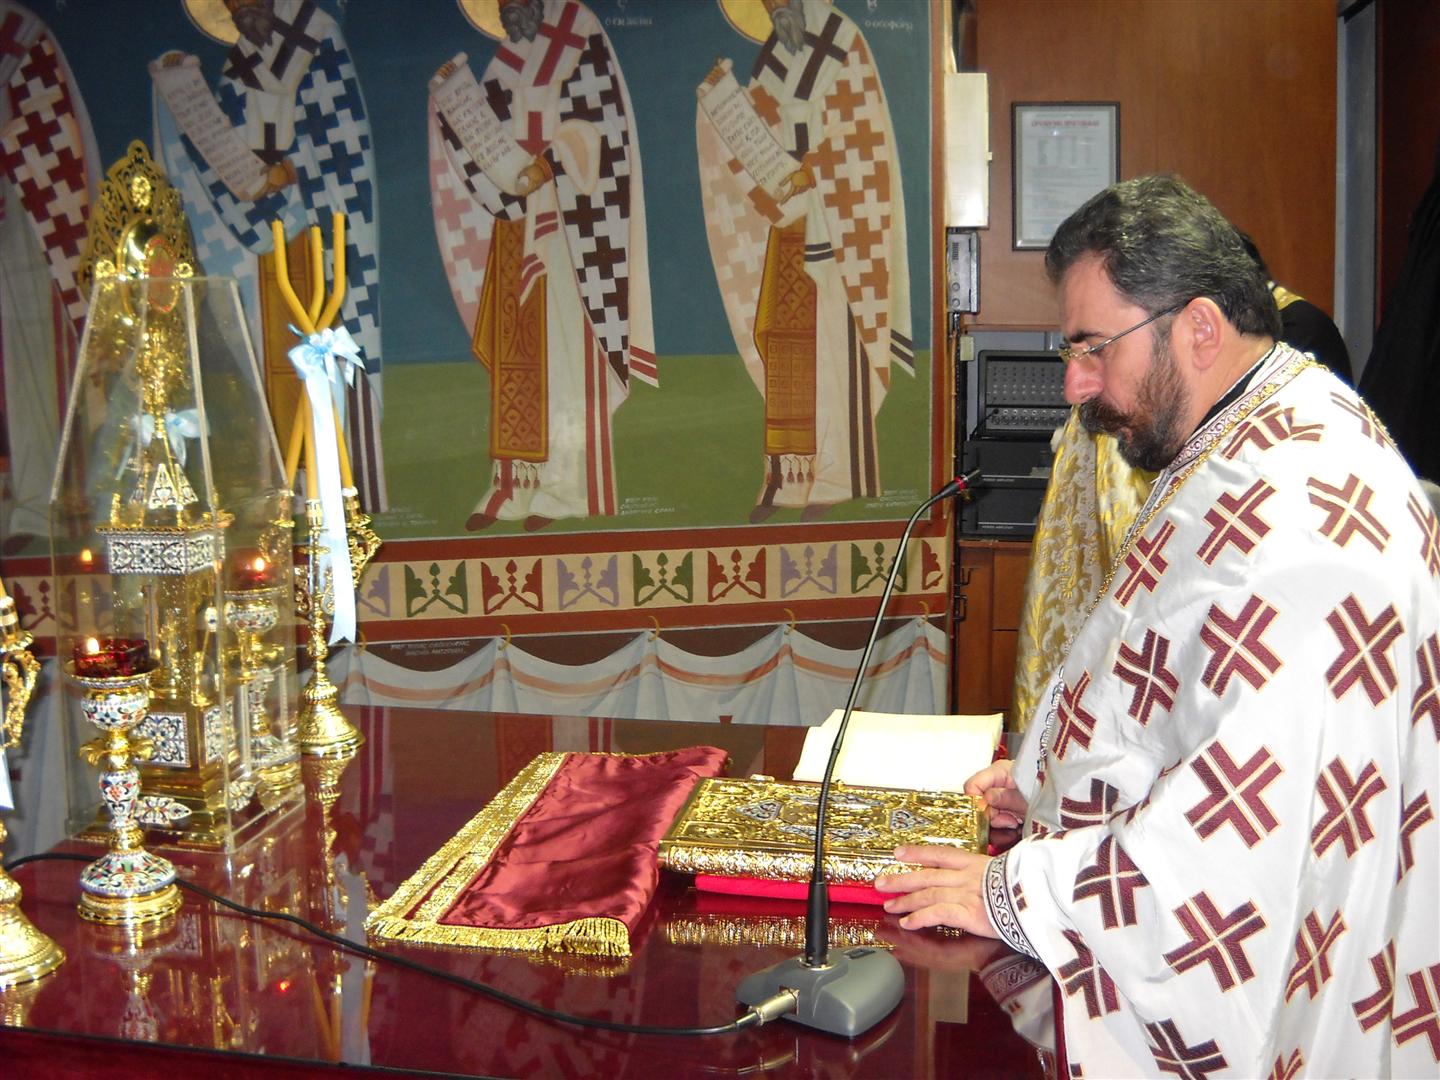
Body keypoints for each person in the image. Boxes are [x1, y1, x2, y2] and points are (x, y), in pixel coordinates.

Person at [877, 175, 1439, 1077]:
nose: (1074, 385)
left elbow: (1238, 844)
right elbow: (1179, 684)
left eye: (1093, 348)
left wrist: (1021, 888)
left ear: (1200, 328)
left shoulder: (1301, 520)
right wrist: (1053, 783)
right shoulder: (1256, 429)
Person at [151, 0, 387, 512]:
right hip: (270, 238)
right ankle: (290, 482)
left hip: (321, 230)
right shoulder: (237, 67)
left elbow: (339, 133)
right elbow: (222, 147)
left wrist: (289, 171)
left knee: (327, 348)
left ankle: (336, 482)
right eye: (231, 4)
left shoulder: (316, 36)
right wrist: (182, 96)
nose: (240, 8)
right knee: (277, 358)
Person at [429, 0, 654, 533]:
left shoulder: (579, 33)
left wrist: (549, 164)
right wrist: (452, 103)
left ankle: (565, 487)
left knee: (564, 355)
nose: (510, 11)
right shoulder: (504, 63)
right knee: (517, 355)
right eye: (503, 6)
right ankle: (512, 484)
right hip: (516, 230)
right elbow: (482, 141)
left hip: (570, 230)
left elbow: (601, 126)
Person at [696, 0, 912, 523]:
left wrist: (812, 170)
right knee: (784, 342)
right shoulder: (774, 56)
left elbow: (862, 136)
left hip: (838, 229)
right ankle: (788, 479)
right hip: (791, 225)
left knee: (834, 349)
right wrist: (724, 102)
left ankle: (837, 476)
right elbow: (760, 127)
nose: (774, 6)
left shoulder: (843, 41)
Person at [0, 0, 99, 548]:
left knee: (35, 364)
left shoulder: (19, 31)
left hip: (26, 217)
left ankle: (43, 505)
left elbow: (45, 127)